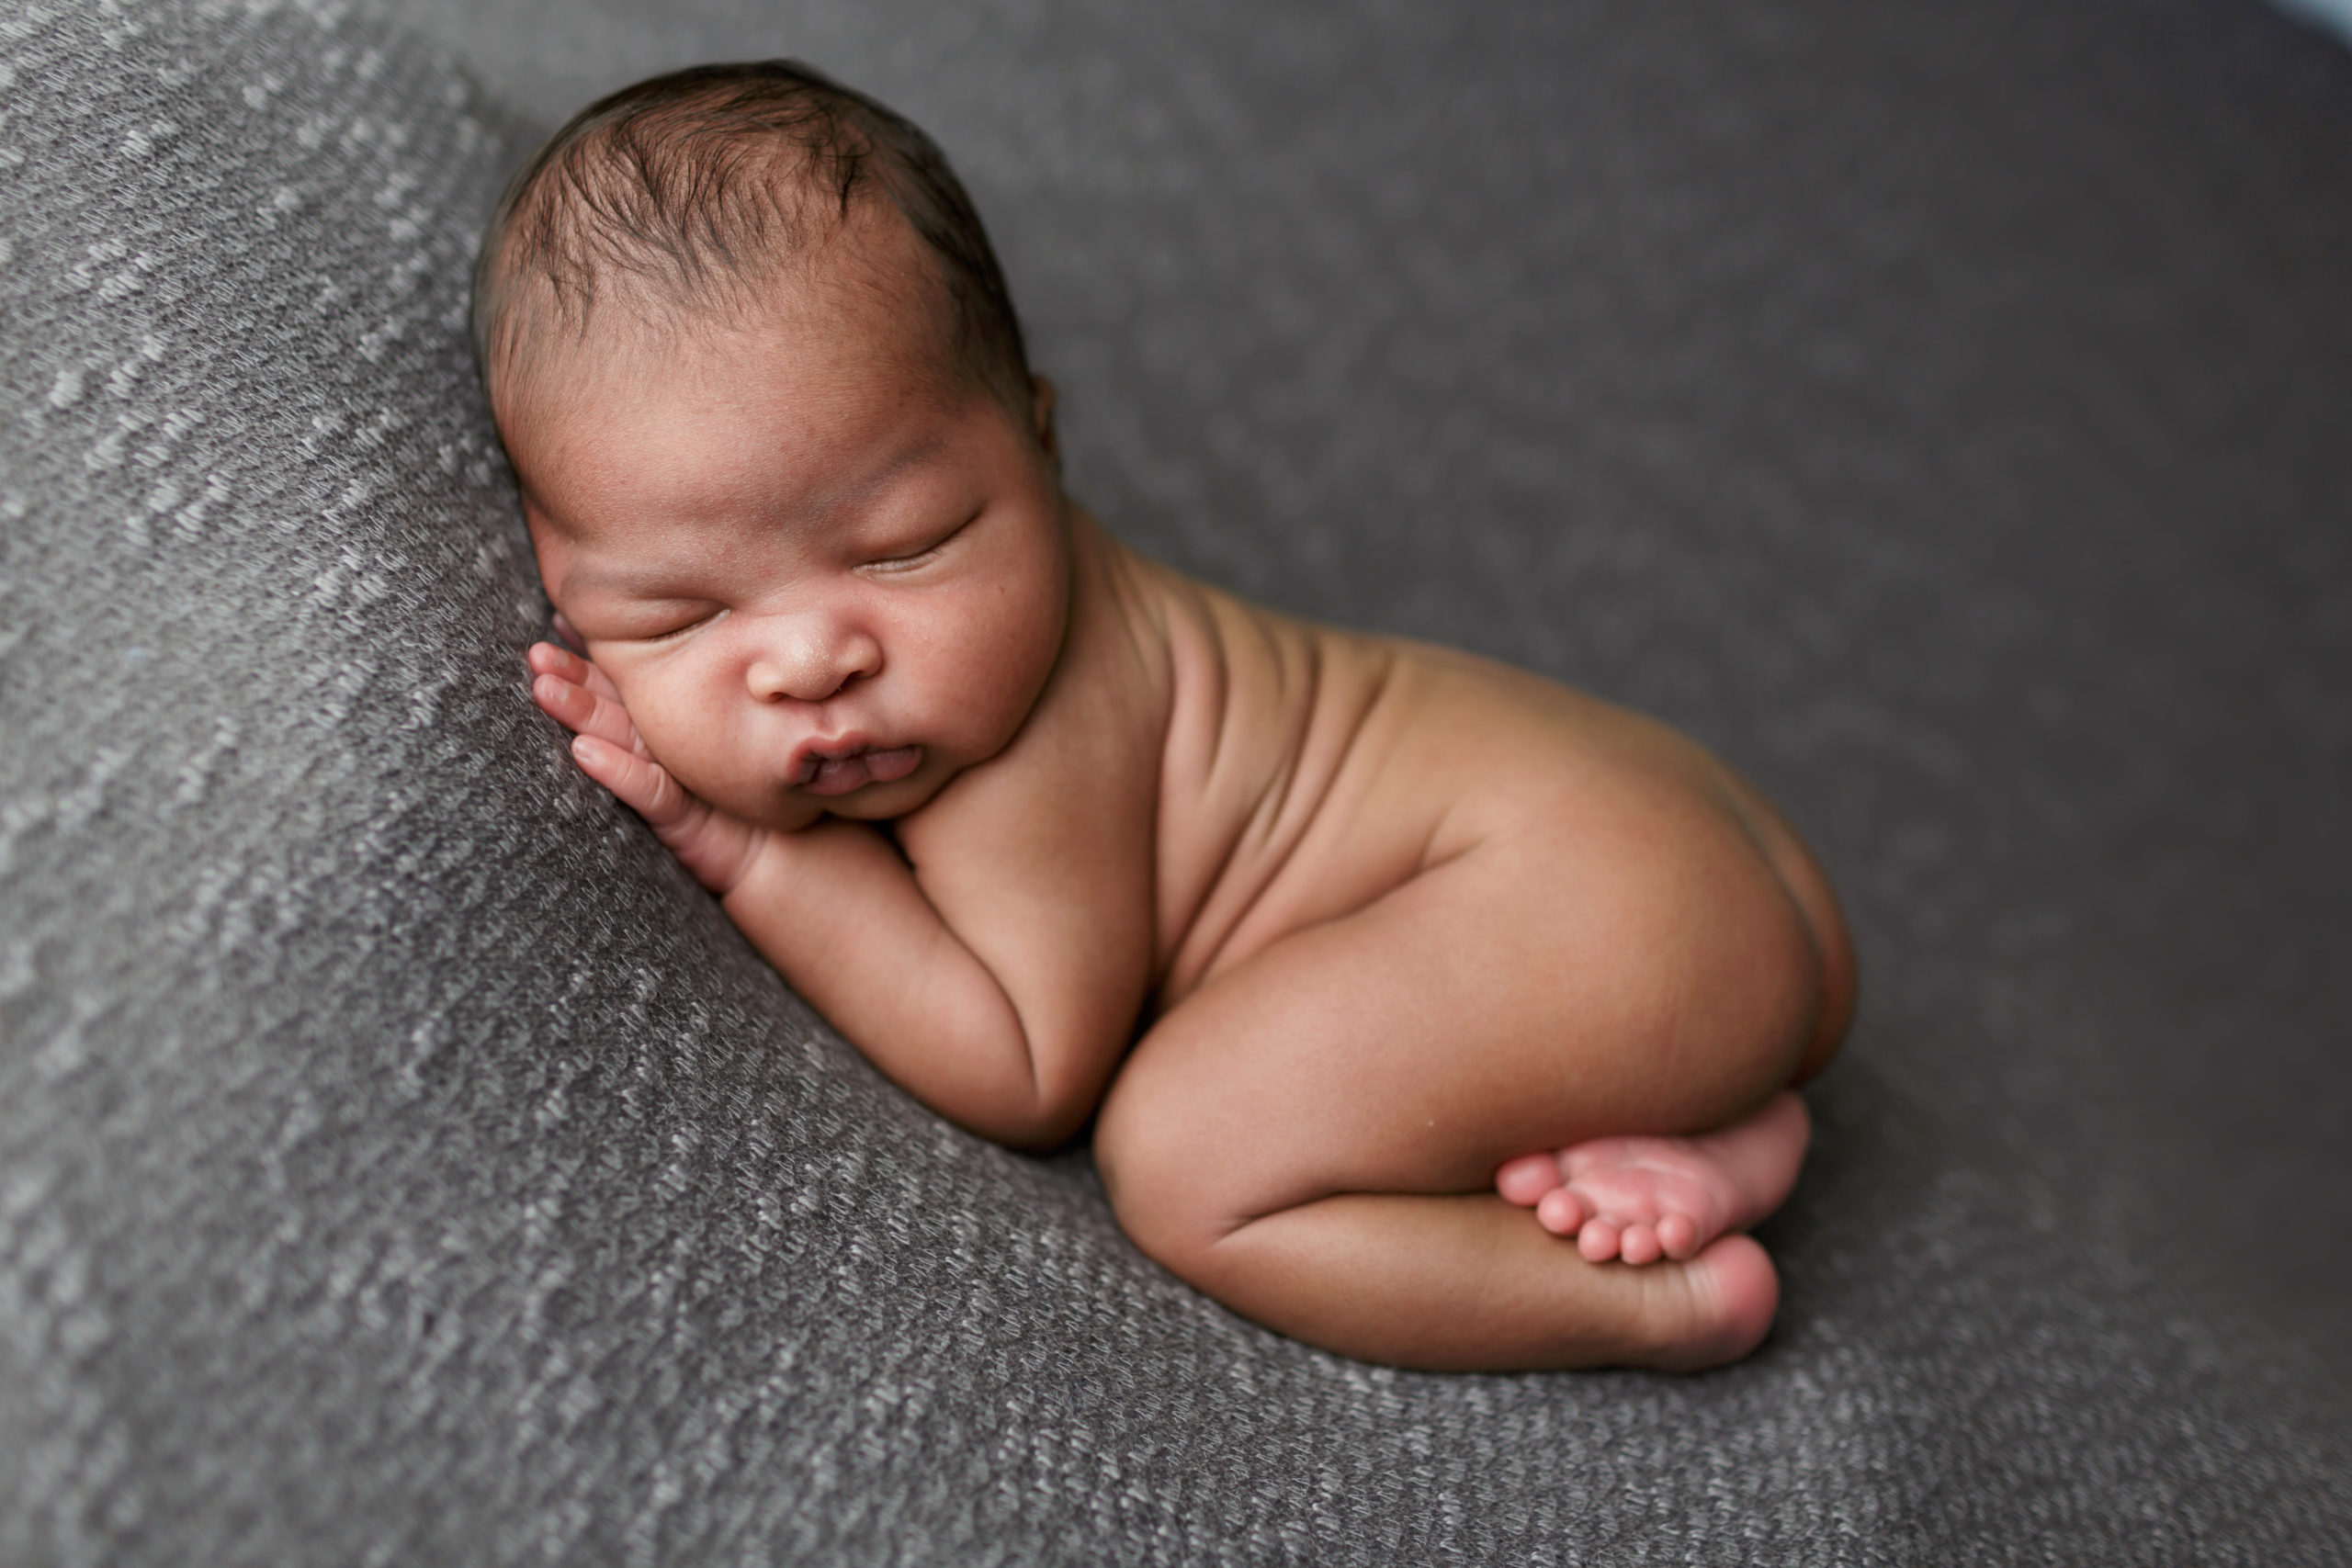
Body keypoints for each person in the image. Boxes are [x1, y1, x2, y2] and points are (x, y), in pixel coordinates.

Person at [477, 61, 1856, 1372]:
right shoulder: (958, 645)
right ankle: (1718, 1118)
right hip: (1671, 867)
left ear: (1039, 441)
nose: (812, 659)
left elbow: (1025, 1066)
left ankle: (1661, 1300)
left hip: (1615, 900)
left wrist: (757, 853)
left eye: (905, 545)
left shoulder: (1038, 733)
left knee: (1189, 1158)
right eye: (677, 619)